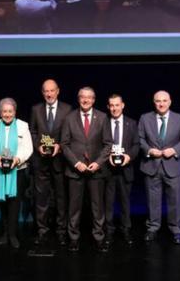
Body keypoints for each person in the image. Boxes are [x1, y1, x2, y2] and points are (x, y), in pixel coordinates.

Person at [61, 87, 112, 253]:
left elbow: (108, 144)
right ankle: (73, 238)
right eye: (82, 97)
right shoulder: (69, 118)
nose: (85, 100)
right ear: (78, 98)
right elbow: (64, 144)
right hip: (75, 171)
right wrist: (76, 163)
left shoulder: (103, 117)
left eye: (89, 97)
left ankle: (99, 238)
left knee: (97, 208)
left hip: (96, 171)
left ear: (94, 100)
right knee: (74, 207)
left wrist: (98, 163)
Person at [29, 79, 73, 246]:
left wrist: (59, 146)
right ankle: (42, 231)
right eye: (46, 91)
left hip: (60, 161)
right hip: (41, 161)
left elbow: (70, 134)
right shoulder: (36, 109)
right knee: (41, 197)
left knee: (61, 198)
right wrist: (38, 145)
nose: (49, 94)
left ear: (58, 91)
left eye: (52, 90)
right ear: (42, 92)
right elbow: (32, 131)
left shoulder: (67, 109)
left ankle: (61, 231)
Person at [138, 90, 180, 244]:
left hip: (173, 165)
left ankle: (176, 230)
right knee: (152, 200)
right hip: (151, 165)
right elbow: (140, 139)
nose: (161, 104)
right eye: (158, 101)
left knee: (175, 201)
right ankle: (153, 228)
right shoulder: (145, 118)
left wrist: (174, 150)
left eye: (165, 100)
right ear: (154, 102)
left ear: (170, 102)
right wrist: (149, 150)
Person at [0, 98, 33, 249]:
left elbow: (28, 148)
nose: (7, 114)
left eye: (10, 111)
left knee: (14, 202)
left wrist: (18, 159)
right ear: (0, 112)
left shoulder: (22, 125)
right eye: (4, 111)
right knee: (2, 202)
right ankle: (4, 233)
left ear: (15, 111)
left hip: (17, 170)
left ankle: (12, 234)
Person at [103, 94, 140, 247]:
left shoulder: (131, 123)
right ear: (108, 107)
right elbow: (99, 145)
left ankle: (126, 230)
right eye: (111, 105)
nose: (114, 108)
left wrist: (128, 157)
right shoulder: (103, 122)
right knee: (108, 203)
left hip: (126, 170)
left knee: (125, 203)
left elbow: (136, 145)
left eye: (117, 105)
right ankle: (109, 231)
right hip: (108, 170)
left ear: (122, 105)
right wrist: (107, 156)